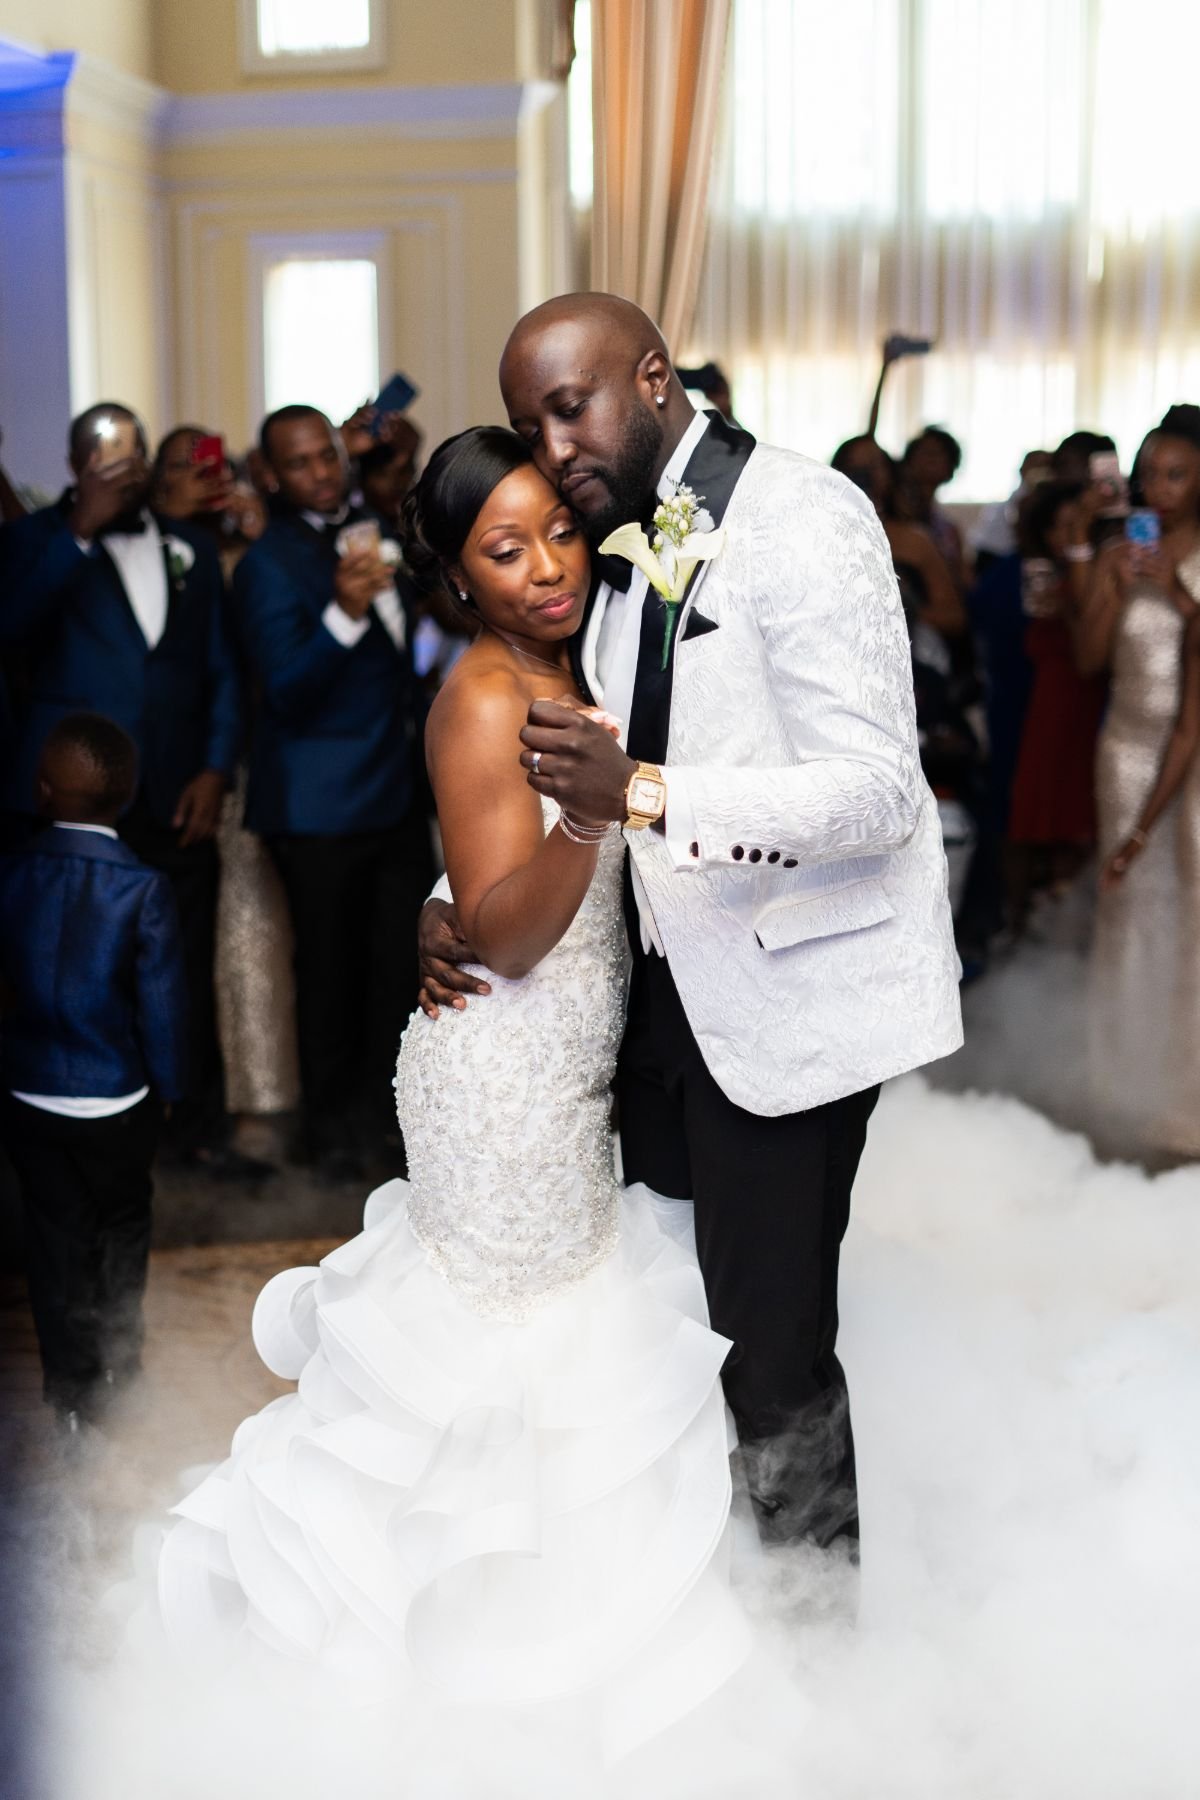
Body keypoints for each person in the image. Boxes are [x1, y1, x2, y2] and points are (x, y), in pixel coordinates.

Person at [152, 428, 745, 1758]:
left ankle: (552, 1646)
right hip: (505, 1075)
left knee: (560, 1352)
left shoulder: (571, 654)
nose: (547, 567)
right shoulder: (484, 694)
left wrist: (450, 894)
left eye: (559, 531)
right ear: (457, 579)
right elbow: (516, 927)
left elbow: (483, 880)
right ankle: (461, 1661)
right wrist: (586, 821)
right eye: (505, 549)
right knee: (504, 1354)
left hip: (567, 1052)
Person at [420, 294, 963, 1551]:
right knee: (669, 1336)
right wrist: (447, 906)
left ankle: (816, 1653)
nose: (551, 447)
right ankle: (706, 1627)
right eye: (527, 423)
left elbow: (880, 792)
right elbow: (546, 781)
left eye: (571, 407)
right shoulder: (613, 543)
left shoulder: (804, 513)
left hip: (782, 1009)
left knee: (773, 1361)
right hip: (657, 1011)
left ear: (653, 378)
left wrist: (651, 794)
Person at [0, 403, 250, 1180]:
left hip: (176, 794)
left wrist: (213, 769)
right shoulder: (34, 544)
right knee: (66, 970)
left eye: (136, 455)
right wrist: (78, 529)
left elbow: (220, 669)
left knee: (185, 965)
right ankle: (61, 1135)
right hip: (68, 806)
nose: (127, 470)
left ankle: (194, 1131)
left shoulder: (189, 548)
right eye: (108, 458)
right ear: (77, 468)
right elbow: (9, 628)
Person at [234, 405, 433, 1182]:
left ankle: (393, 1126)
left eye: (328, 455)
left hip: (395, 790)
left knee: (400, 969)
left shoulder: (373, 529)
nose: (322, 472)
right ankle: (331, 1137)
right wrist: (345, 612)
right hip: (317, 807)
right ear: (273, 475)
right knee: (328, 975)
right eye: (302, 463)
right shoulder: (266, 566)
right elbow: (284, 690)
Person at [0, 714, 187, 1433]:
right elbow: (162, 1008)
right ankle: (121, 1368)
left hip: (28, 1090)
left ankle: (69, 1392)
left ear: (42, 792)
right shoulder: (141, 887)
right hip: (117, 1099)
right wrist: (168, 1091)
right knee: (122, 1227)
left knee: (54, 1238)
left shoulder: (13, 872)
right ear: (129, 794)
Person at [154, 423, 300, 1162]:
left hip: (249, 766)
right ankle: (191, 1110)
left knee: (256, 942)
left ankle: (266, 1105)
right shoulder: (164, 550)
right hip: (184, 773)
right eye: (184, 467)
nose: (200, 479)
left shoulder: (249, 550)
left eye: (210, 466)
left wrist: (258, 532)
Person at [1076, 407, 1200, 1157]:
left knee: (1191, 913)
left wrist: (1182, 598)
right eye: (1149, 472)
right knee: (1131, 908)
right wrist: (1107, 586)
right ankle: (1124, 1076)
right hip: (1126, 751)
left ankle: (1185, 1081)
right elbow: (1090, 660)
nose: (1158, 487)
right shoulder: (1119, 553)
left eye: (1176, 473)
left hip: (1194, 746)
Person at [1005, 480, 1108, 927]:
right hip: (1048, 703)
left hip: (1090, 706)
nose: (1069, 535)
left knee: (1076, 812)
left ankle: (1066, 914)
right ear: (1045, 533)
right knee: (1037, 812)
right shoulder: (1039, 576)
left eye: (1078, 526)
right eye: (1062, 527)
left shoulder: (1094, 577)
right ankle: (1024, 919)